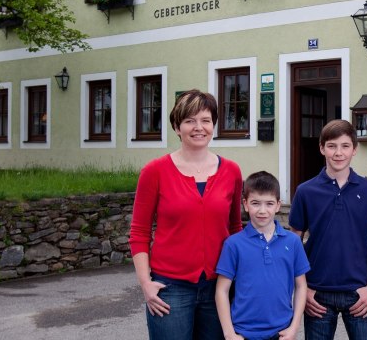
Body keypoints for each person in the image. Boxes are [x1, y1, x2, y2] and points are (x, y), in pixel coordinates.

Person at [129, 89, 244, 340]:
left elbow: (236, 228)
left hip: (220, 287)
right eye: (190, 120)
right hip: (170, 288)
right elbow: (138, 232)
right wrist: (145, 284)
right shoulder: (155, 171)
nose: (198, 127)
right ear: (176, 126)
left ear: (213, 125)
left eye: (205, 120)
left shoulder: (232, 171)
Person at [289, 119, 367, 340]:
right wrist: (303, 290)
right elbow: (294, 241)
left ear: (354, 149)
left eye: (345, 146)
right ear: (322, 148)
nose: (338, 153)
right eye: (332, 146)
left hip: (359, 292)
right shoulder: (305, 191)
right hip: (317, 294)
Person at [215, 171, 310, 340]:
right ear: (245, 204)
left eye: (269, 203)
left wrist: (294, 327)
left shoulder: (293, 242)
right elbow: (221, 290)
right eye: (255, 203)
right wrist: (229, 333)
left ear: (278, 205)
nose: (262, 210)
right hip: (242, 332)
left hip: (281, 331)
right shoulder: (233, 244)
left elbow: (301, 286)